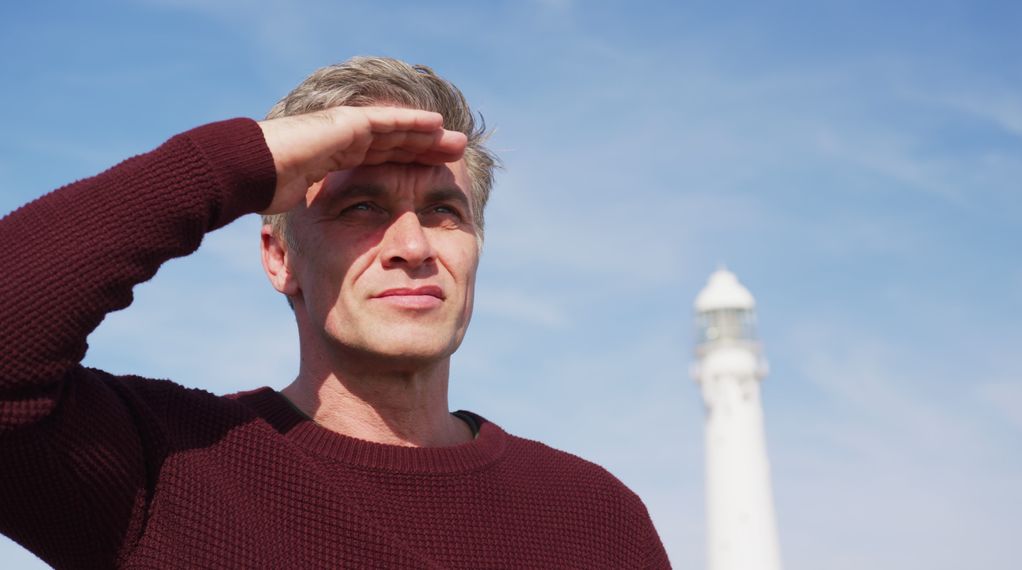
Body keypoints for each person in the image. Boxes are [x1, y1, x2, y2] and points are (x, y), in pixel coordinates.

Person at [0, 56, 670, 568]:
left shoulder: (593, 516)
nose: (412, 248)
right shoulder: (169, 468)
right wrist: (246, 161)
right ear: (278, 257)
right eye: (361, 209)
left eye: (443, 211)